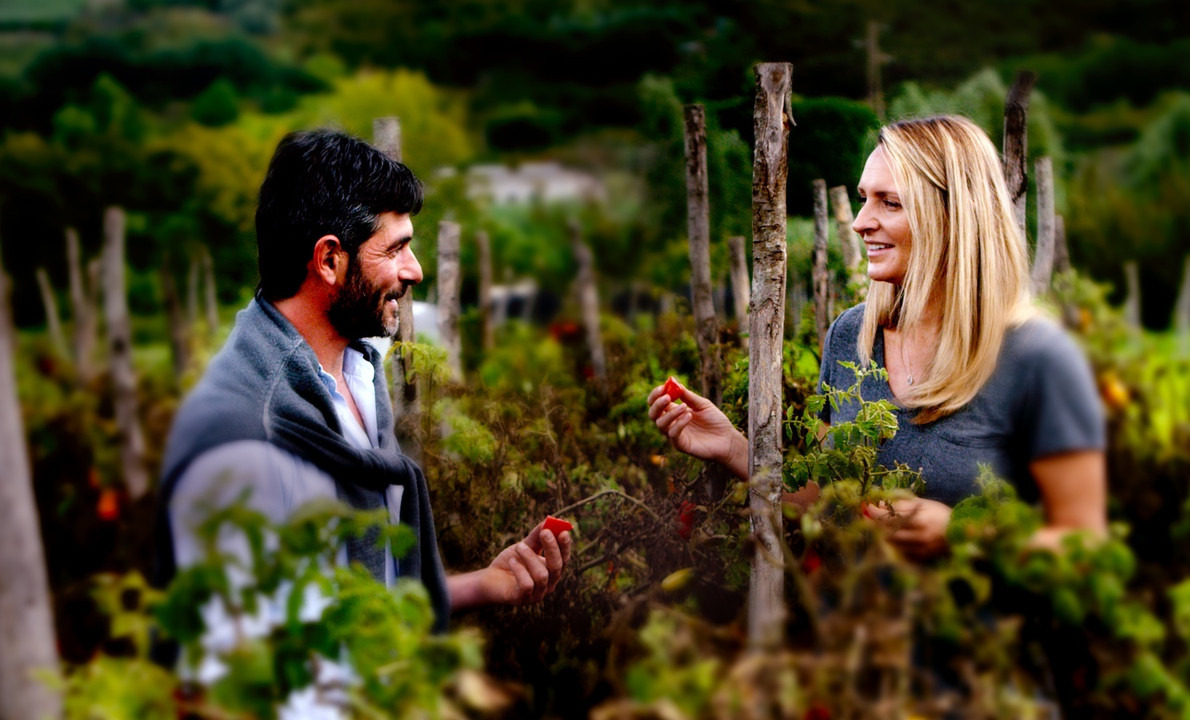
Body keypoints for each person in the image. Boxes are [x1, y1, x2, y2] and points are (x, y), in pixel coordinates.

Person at [157, 129, 571, 641]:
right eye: (395, 249)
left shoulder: (357, 366)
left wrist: (485, 584)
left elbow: (368, 590)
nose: (415, 271)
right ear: (330, 260)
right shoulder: (241, 441)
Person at [647, 115, 1106, 561]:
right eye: (866, 198)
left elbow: (1086, 545)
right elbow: (829, 502)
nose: (861, 221)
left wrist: (965, 533)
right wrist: (732, 448)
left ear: (953, 216)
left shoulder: (1037, 357)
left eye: (890, 202)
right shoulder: (853, 336)